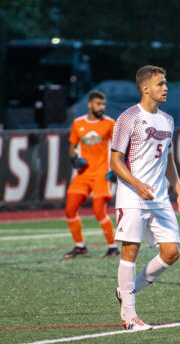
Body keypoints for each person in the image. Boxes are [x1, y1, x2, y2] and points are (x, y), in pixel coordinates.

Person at [110, 65, 180, 331]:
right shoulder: (128, 118)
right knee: (130, 251)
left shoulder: (167, 120)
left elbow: (168, 158)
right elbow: (115, 162)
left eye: (165, 83)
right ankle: (129, 317)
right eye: (160, 84)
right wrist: (136, 183)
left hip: (159, 198)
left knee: (172, 252)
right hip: (132, 196)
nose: (165, 88)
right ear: (145, 88)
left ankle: (127, 291)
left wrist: (178, 188)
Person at [63, 90, 120, 259]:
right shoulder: (77, 123)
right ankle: (80, 246)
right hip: (83, 173)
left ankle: (113, 247)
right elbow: (71, 147)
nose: (101, 107)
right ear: (89, 104)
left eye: (103, 104)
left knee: (98, 210)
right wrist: (73, 159)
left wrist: (117, 168)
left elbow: (119, 147)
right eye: (98, 104)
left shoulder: (109, 123)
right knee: (70, 209)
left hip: (102, 173)